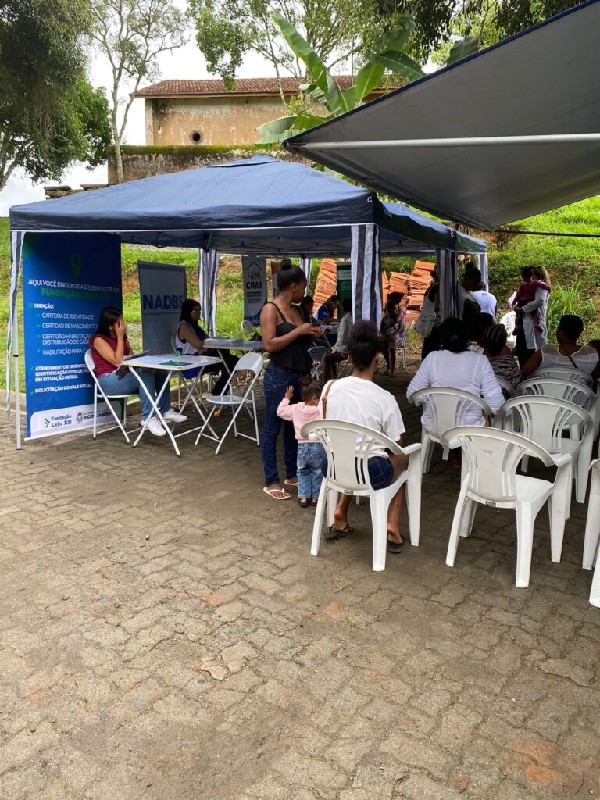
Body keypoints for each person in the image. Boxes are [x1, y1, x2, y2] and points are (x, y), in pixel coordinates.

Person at [318, 320, 408, 552]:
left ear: (349, 358)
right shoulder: (384, 398)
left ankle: (340, 511)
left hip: (331, 466)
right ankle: (392, 525)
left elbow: (323, 427)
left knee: (352, 455)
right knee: (404, 460)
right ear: (377, 359)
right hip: (371, 472)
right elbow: (396, 445)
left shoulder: (329, 388)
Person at [260, 262, 322, 500]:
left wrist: (311, 334)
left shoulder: (297, 310)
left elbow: (298, 343)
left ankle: (292, 473)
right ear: (293, 286)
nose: (305, 292)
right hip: (279, 376)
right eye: (304, 287)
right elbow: (269, 344)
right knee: (272, 429)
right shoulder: (270, 309)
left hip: (301, 375)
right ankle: (271, 481)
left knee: (294, 427)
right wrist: (298, 331)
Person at [406, 317, 504, 461]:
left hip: (435, 425)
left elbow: (412, 395)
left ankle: (452, 455)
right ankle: (475, 461)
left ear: (441, 338)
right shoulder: (480, 361)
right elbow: (497, 404)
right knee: (489, 418)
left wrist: (433, 398)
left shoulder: (432, 358)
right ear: (467, 338)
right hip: (469, 428)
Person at [90, 306, 186, 437]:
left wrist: (124, 341)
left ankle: (165, 410)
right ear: (110, 326)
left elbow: (131, 357)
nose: (123, 325)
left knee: (159, 371)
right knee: (144, 373)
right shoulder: (98, 340)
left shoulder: (122, 338)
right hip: (107, 381)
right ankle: (148, 418)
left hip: (124, 375)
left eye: (122, 321)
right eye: (119, 323)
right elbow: (117, 360)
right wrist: (120, 336)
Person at [277, 381, 324, 508]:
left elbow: (280, 411)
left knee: (302, 472)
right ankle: (315, 498)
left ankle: (303, 498)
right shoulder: (320, 410)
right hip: (317, 446)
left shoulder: (296, 408)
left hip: (302, 447)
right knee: (317, 472)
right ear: (314, 398)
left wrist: (286, 398)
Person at [176, 299, 237, 395]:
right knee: (230, 360)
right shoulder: (184, 326)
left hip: (203, 359)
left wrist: (210, 344)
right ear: (188, 311)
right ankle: (220, 389)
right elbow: (198, 344)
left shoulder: (196, 327)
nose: (198, 313)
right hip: (192, 364)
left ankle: (221, 388)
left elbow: (206, 341)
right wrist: (206, 345)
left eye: (199, 310)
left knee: (231, 359)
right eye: (195, 310)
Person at [521, 314, 600, 382]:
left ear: (562, 333)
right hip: (577, 395)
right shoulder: (591, 354)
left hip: (546, 394)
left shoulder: (545, 352)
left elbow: (524, 372)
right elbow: (593, 380)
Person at [511, 266, 551, 366]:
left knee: (533, 351)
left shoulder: (541, 286)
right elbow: (517, 297)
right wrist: (515, 305)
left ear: (533, 275)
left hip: (533, 321)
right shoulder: (526, 286)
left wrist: (523, 309)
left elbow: (539, 301)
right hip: (524, 321)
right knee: (524, 351)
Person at [481, 324, 521, 389]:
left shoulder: (480, 366)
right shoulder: (511, 364)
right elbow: (518, 385)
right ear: (503, 345)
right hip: (508, 395)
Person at [322, 297, 353, 382]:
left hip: (345, 350)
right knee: (329, 353)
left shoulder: (345, 319)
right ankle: (334, 379)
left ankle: (324, 383)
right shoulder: (351, 317)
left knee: (326, 358)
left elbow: (342, 340)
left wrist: (334, 349)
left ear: (344, 307)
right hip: (350, 347)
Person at [417, 270, 442, 359]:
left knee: (427, 347)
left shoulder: (431, 288)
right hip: (435, 323)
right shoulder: (438, 288)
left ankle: (426, 363)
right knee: (434, 348)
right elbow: (436, 307)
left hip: (429, 323)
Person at [379, 297, 404, 374]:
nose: (395, 311)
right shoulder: (385, 318)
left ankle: (392, 368)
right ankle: (388, 366)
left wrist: (393, 334)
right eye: (389, 310)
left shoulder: (397, 318)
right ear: (387, 310)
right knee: (383, 347)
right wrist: (385, 335)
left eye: (395, 309)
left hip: (394, 337)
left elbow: (401, 329)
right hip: (386, 337)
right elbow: (381, 329)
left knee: (392, 350)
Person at [458, 265, 482, 341]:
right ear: (468, 279)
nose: (477, 285)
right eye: (475, 282)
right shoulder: (460, 293)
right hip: (464, 333)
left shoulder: (468, 293)